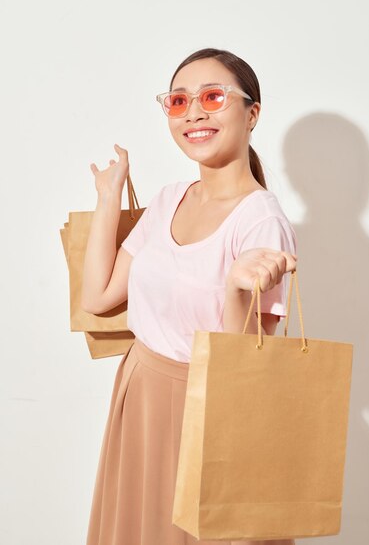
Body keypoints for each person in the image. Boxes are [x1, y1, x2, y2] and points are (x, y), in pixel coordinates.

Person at [81, 47, 298, 545]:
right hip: (141, 395)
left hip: (207, 412)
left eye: (213, 97)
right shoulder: (168, 198)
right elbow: (97, 297)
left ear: (252, 114)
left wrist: (235, 286)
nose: (195, 112)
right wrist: (109, 198)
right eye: (178, 101)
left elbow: (246, 371)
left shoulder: (261, 221)